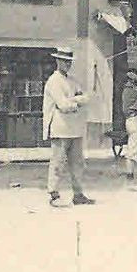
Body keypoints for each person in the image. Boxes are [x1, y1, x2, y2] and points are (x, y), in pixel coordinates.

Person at [43, 45, 95, 207]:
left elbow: (85, 98)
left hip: (75, 128)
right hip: (60, 127)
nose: (67, 64)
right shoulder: (54, 81)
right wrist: (76, 100)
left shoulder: (72, 81)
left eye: (69, 61)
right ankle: (54, 194)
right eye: (64, 61)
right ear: (58, 61)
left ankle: (78, 194)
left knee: (78, 163)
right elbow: (63, 105)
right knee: (58, 162)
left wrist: (74, 100)